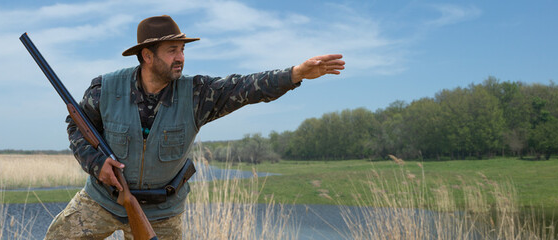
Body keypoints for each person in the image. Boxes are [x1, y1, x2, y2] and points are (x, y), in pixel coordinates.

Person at [44, 15, 345, 239]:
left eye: (182, 50)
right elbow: (77, 126)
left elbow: (245, 86)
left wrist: (294, 74)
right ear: (147, 56)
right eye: (172, 50)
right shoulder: (105, 89)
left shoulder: (198, 94)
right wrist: (97, 164)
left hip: (162, 211)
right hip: (102, 201)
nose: (181, 58)